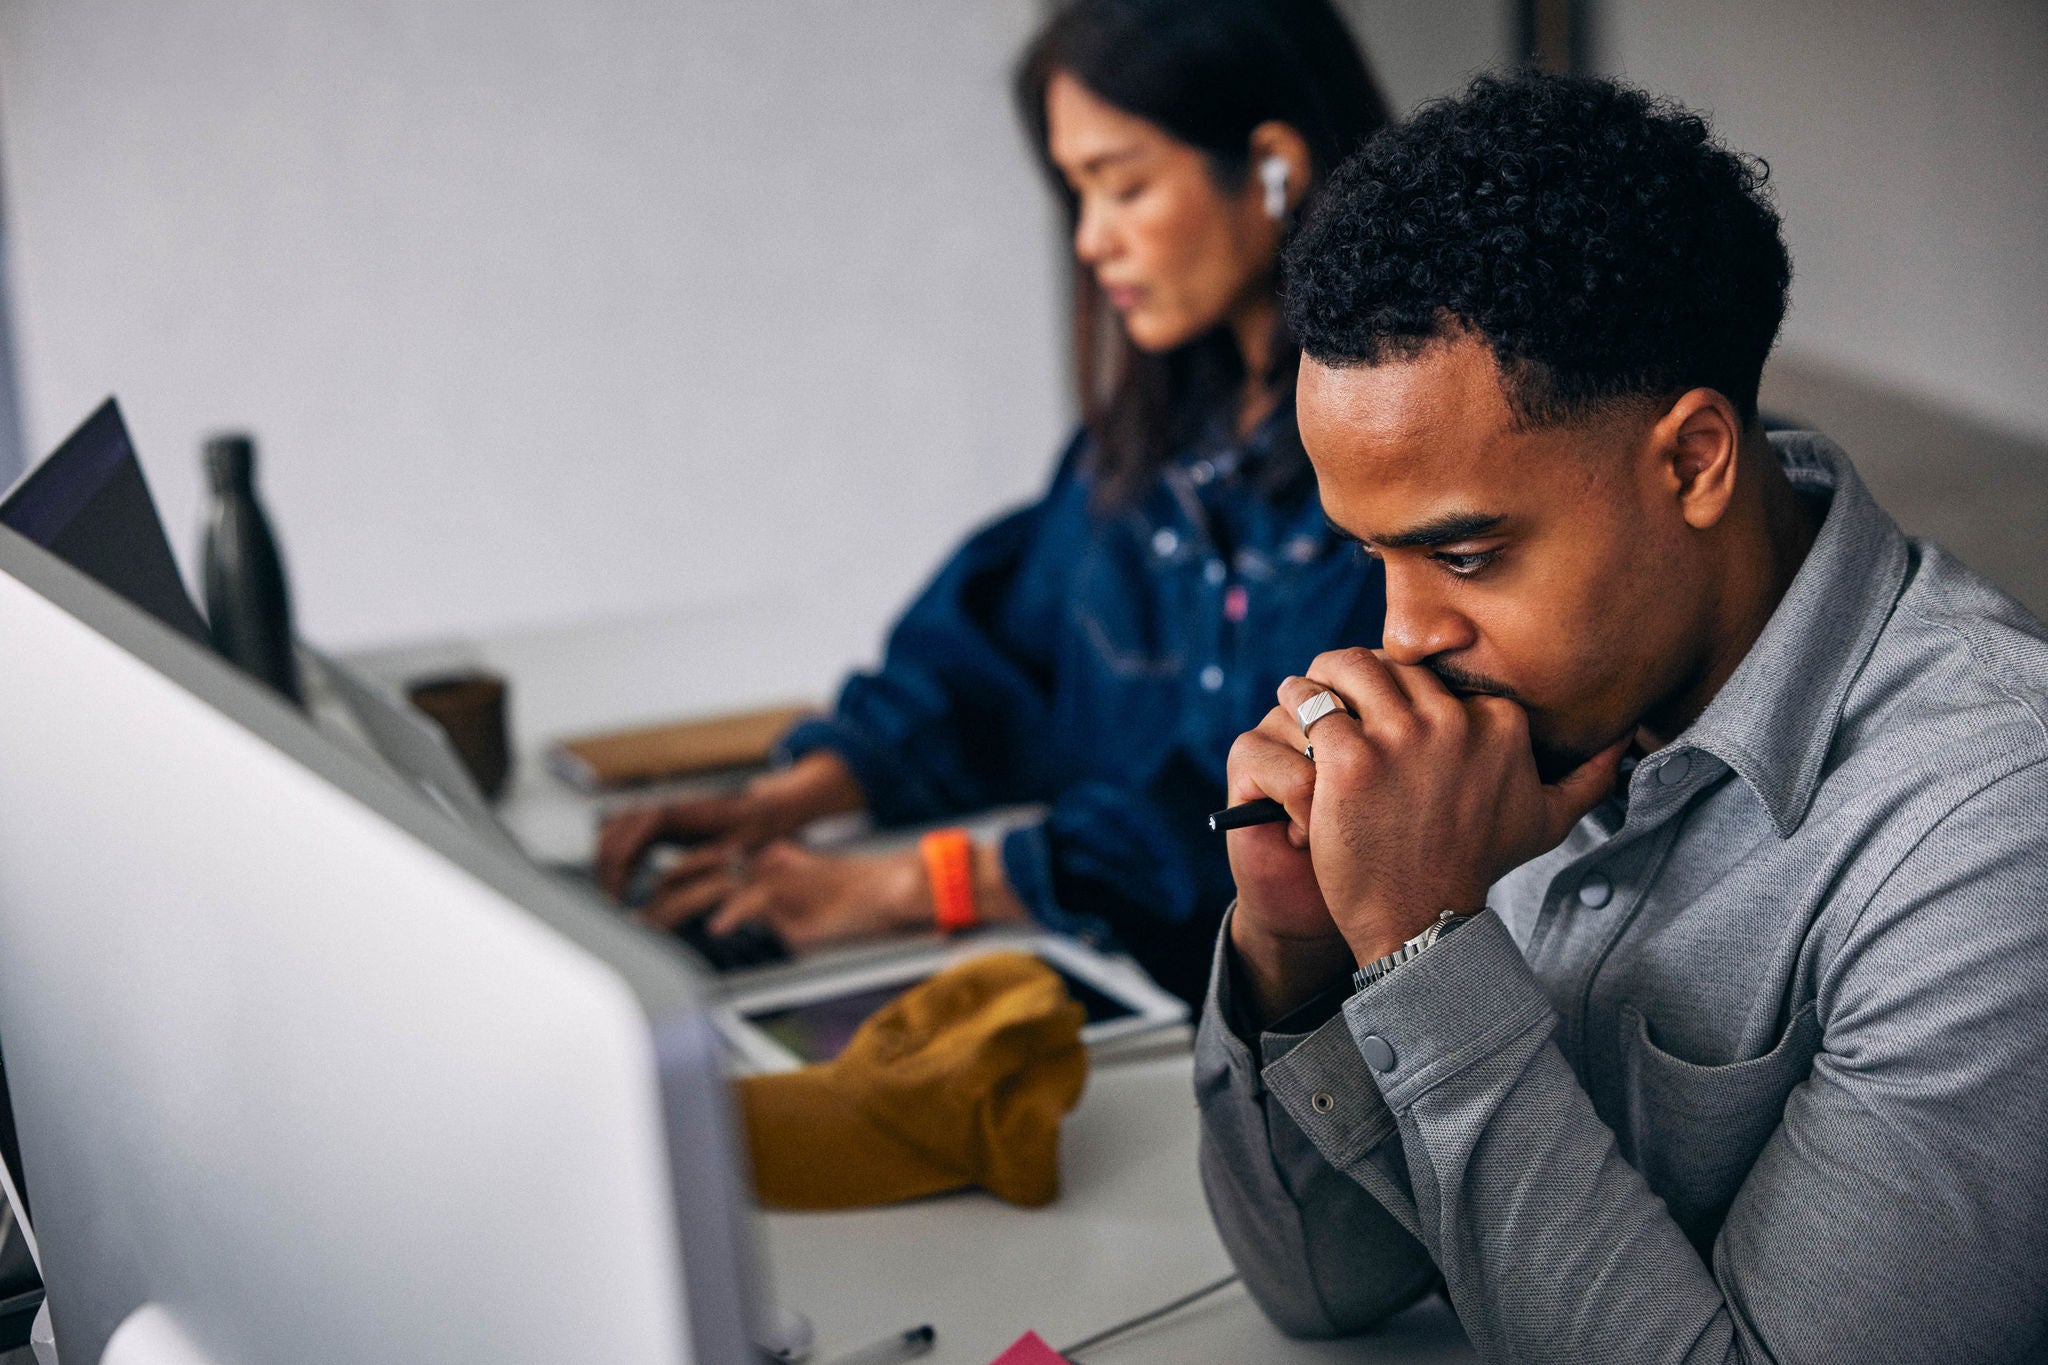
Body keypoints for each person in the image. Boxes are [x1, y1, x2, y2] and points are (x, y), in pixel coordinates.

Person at [1199, 71, 2048, 1361]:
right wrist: (1297, 951)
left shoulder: (1992, 834)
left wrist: (1426, 955)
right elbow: (1324, 1290)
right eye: (1375, 558)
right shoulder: (1512, 711)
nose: (1400, 636)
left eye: (1468, 554)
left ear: (1693, 462)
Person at [597, 0, 1392, 1005]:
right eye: (1076, 195)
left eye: (1124, 187)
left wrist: (913, 886)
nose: (1092, 241)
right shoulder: (1159, 441)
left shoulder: (1390, 473)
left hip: (1285, 1026)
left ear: (1274, 166)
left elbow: (1274, 809)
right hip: (1123, 980)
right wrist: (801, 794)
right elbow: (1001, 655)